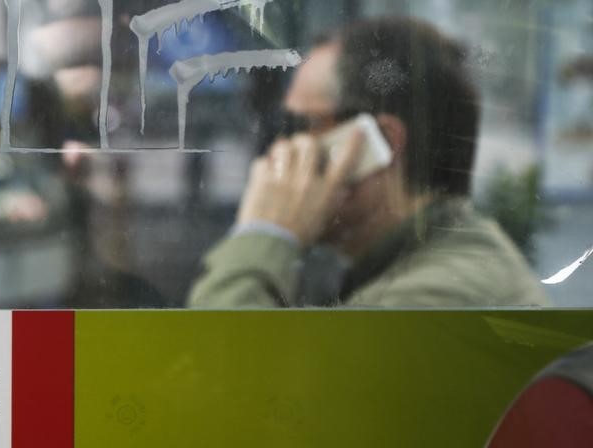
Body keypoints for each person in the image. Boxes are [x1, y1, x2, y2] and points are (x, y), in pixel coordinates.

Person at [188, 17, 549, 308]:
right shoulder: (438, 263)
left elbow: (223, 375)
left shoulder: (424, 300)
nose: (283, 147)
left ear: (383, 143)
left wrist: (264, 234)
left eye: (304, 125)